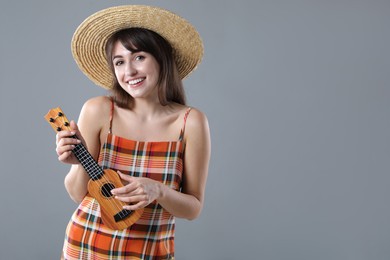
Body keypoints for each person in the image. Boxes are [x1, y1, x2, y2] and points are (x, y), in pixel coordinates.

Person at [55, 5, 210, 260]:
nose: (129, 72)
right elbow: (76, 194)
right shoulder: (98, 110)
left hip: (149, 252)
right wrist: (77, 163)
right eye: (119, 62)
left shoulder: (190, 122)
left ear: (162, 58)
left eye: (139, 57)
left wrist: (158, 191)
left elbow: (193, 208)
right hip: (86, 247)